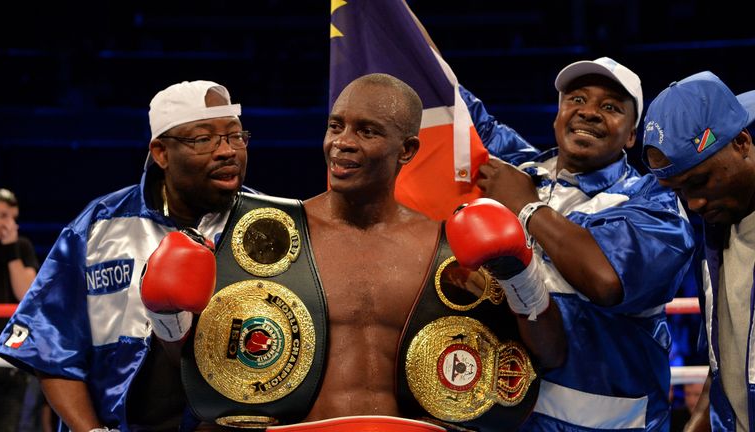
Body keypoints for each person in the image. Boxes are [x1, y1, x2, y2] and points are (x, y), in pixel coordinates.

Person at [142, 73, 566, 430]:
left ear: (407, 151)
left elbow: (547, 356)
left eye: (367, 130)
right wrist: (167, 321)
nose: (342, 142)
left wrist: (520, 274)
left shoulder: (450, 252)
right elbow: (184, 387)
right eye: (335, 126)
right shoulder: (261, 241)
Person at [0, 80, 253, 431]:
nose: (227, 151)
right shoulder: (98, 227)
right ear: (161, 153)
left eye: (235, 136)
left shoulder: (268, 229)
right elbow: (50, 349)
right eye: (203, 139)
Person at [468, 57, 697, 430]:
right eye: (576, 99)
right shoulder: (521, 170)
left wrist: (528, 208)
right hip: (507, 417)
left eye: (610, 107)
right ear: (557, 115)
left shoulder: (654, 203)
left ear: (632, 135)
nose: (588, 112)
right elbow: (444, 95)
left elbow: (606, 280)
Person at [642, 71, 755, 431]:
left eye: (699, 181)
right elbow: (732, 357)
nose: (693, 203)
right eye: (678, 190)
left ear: (741, 143)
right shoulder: (718, 223)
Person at [0, 187, 39, 431]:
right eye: (2, 215)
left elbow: (27, 294)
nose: (9, 223)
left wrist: (11, 251)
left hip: (10, 356)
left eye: (13, 217)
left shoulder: (21, 247)